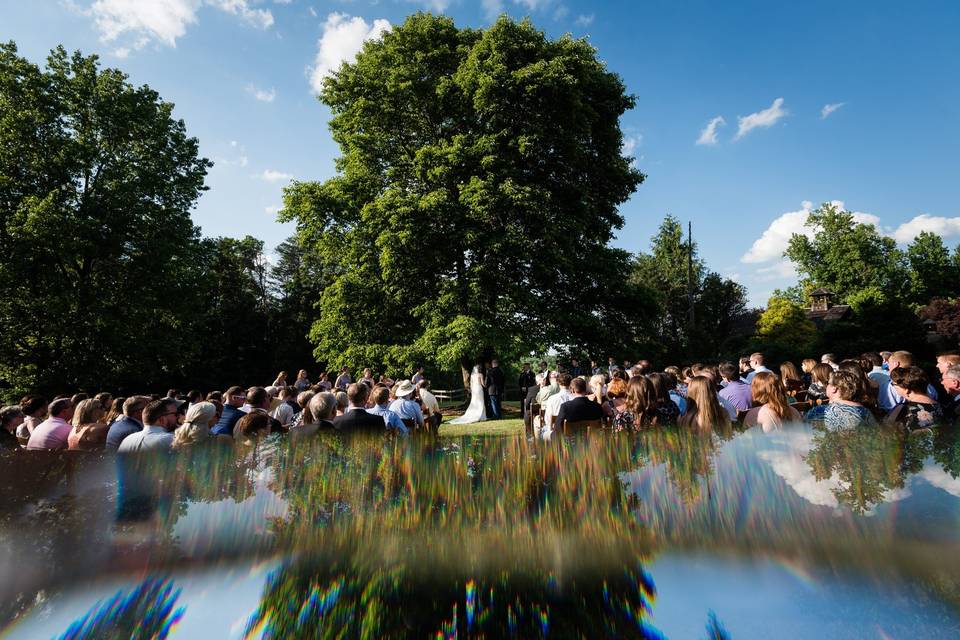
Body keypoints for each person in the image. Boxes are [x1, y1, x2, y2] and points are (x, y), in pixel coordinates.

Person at [805, 370, 877, 430]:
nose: (827, 386)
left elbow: (805, 432)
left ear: (834, 389)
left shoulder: (819, 412)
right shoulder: (866, 411)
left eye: (828, 383)